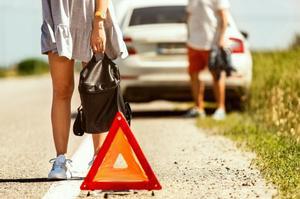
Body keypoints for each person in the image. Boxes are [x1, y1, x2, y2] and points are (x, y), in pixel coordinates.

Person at [41, 0, 128, 179]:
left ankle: (98, 158)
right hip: (59, 18)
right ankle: (60, 161)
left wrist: (99, 22)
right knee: (61, 89)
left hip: (92, 17)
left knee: (96, 90)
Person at [185, 0, 230, 120]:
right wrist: (189, 36)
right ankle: (199, 108)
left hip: (211, 42)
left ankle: (221, 108)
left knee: (217, 75)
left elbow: (224, 17)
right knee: (193, 74)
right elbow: (189, 15)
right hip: (194, 43)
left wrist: (221, 39)